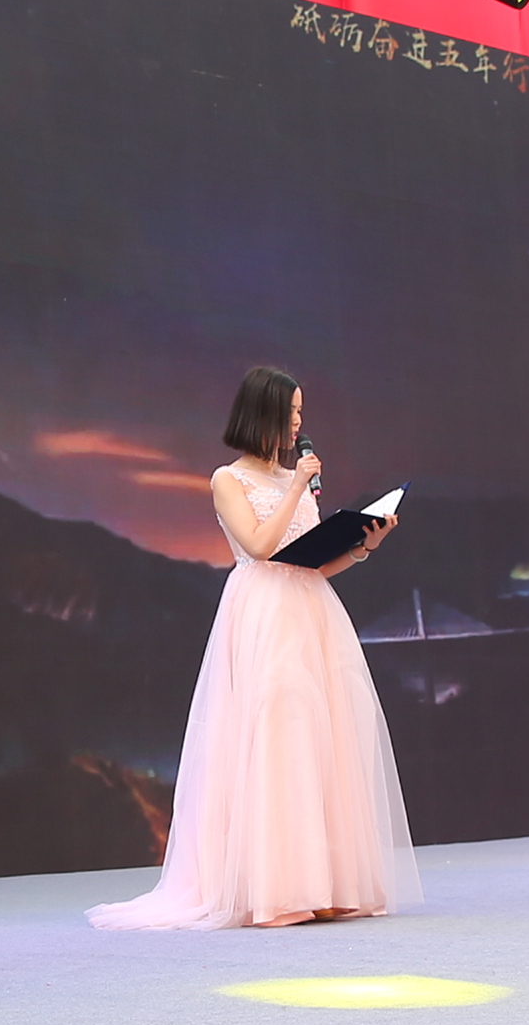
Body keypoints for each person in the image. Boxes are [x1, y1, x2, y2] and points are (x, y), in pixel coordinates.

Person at [89, 367, 421, 929]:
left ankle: (326, 884)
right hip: (264, 614)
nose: (298, 424)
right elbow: (261, 547)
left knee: (321, 738)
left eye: (301, 413)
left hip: (312, 612)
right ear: (263, 414)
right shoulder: (229, 479)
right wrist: (296, 488)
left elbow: (312, 562)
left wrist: (364, 546)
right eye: (291, 413)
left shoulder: (295, 479)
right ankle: (277, 890)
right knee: (276, 734)